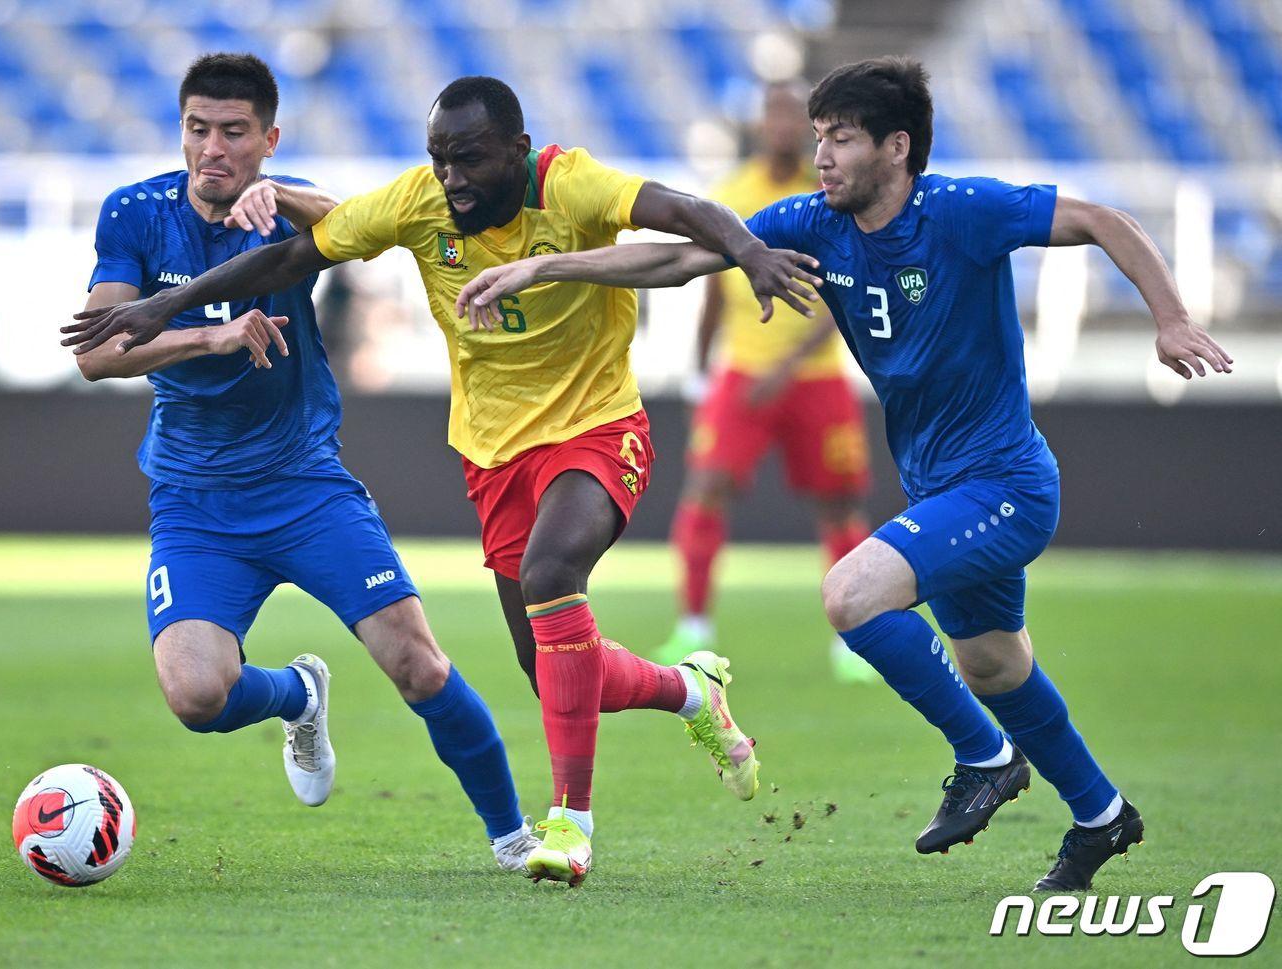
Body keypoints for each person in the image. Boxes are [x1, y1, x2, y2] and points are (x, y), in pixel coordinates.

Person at [452, 57, 1233, 892]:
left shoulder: (964, 211)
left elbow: (1102, 218)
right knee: (996, 666)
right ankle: (1102, 815)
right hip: (941, 489)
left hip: (1005, 484)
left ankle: (987, 757)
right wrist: (545, 266)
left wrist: (1172, 319)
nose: (822, 155)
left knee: (851, 595)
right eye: (819, 136)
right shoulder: (817, 222)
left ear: (897, 148)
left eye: (843, 138)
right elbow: (683, 261)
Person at [61, 74, 819, 887]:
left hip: (507, 445)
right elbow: (224, 290)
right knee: (544, 669)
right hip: (401, 468)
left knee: (500, 611)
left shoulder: (563, 184)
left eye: (236, 133)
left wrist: (748, 255)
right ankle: (684, 691)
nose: (450, 176)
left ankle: (549, 827)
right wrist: (176, 322)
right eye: (199, 130)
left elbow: (675, 219)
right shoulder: (169, 212)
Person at [69, 54, 536, 872]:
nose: (213, 148)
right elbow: (99, 353)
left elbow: (370, 228)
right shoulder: (135, 213)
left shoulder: (285, 209)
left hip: (303, 485)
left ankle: (514, 834)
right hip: (195, 498)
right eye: (198, 129)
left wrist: (280, 195)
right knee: (195, 695)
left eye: (234, 133)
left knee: (418, 664)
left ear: (268, 139)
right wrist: (210, 336)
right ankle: (298, 694)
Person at [656, 82, 876, 685]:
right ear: (758, 125)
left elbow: (844, 296)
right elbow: (711, 292)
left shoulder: (829, 195)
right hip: (741, 376)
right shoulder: (730, 195)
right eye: (773, 114)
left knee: (840, 505)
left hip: (813, 379)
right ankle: (693, 629)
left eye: (793, 117)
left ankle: (853, 639)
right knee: (705, 491)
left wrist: (783, 369)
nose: (781, 126)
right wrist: (701, 374)